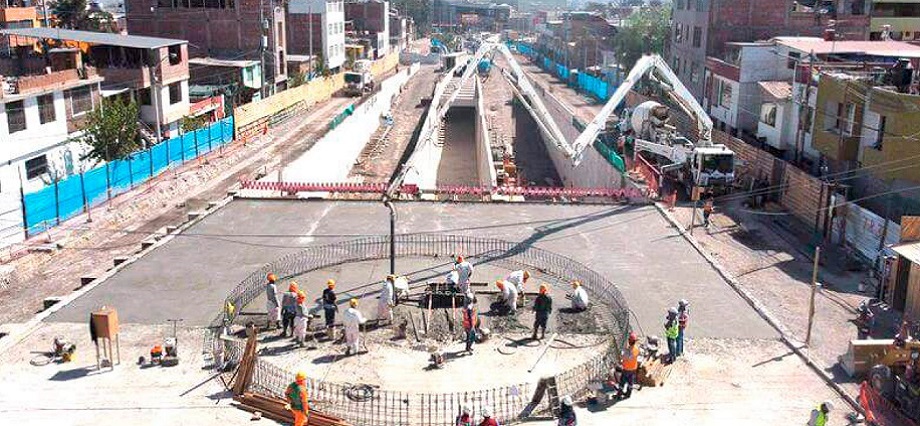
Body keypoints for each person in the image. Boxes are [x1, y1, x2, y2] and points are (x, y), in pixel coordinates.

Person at [619, 332, 640, 399]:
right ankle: (628, 394)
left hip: (626, 369)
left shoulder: (627, 351)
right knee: (630, 382)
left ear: (629, 341)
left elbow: (623, 357)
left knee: (622, 381)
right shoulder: (636, 349)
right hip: (633, 368)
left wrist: (624, 351)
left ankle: (619, 394)